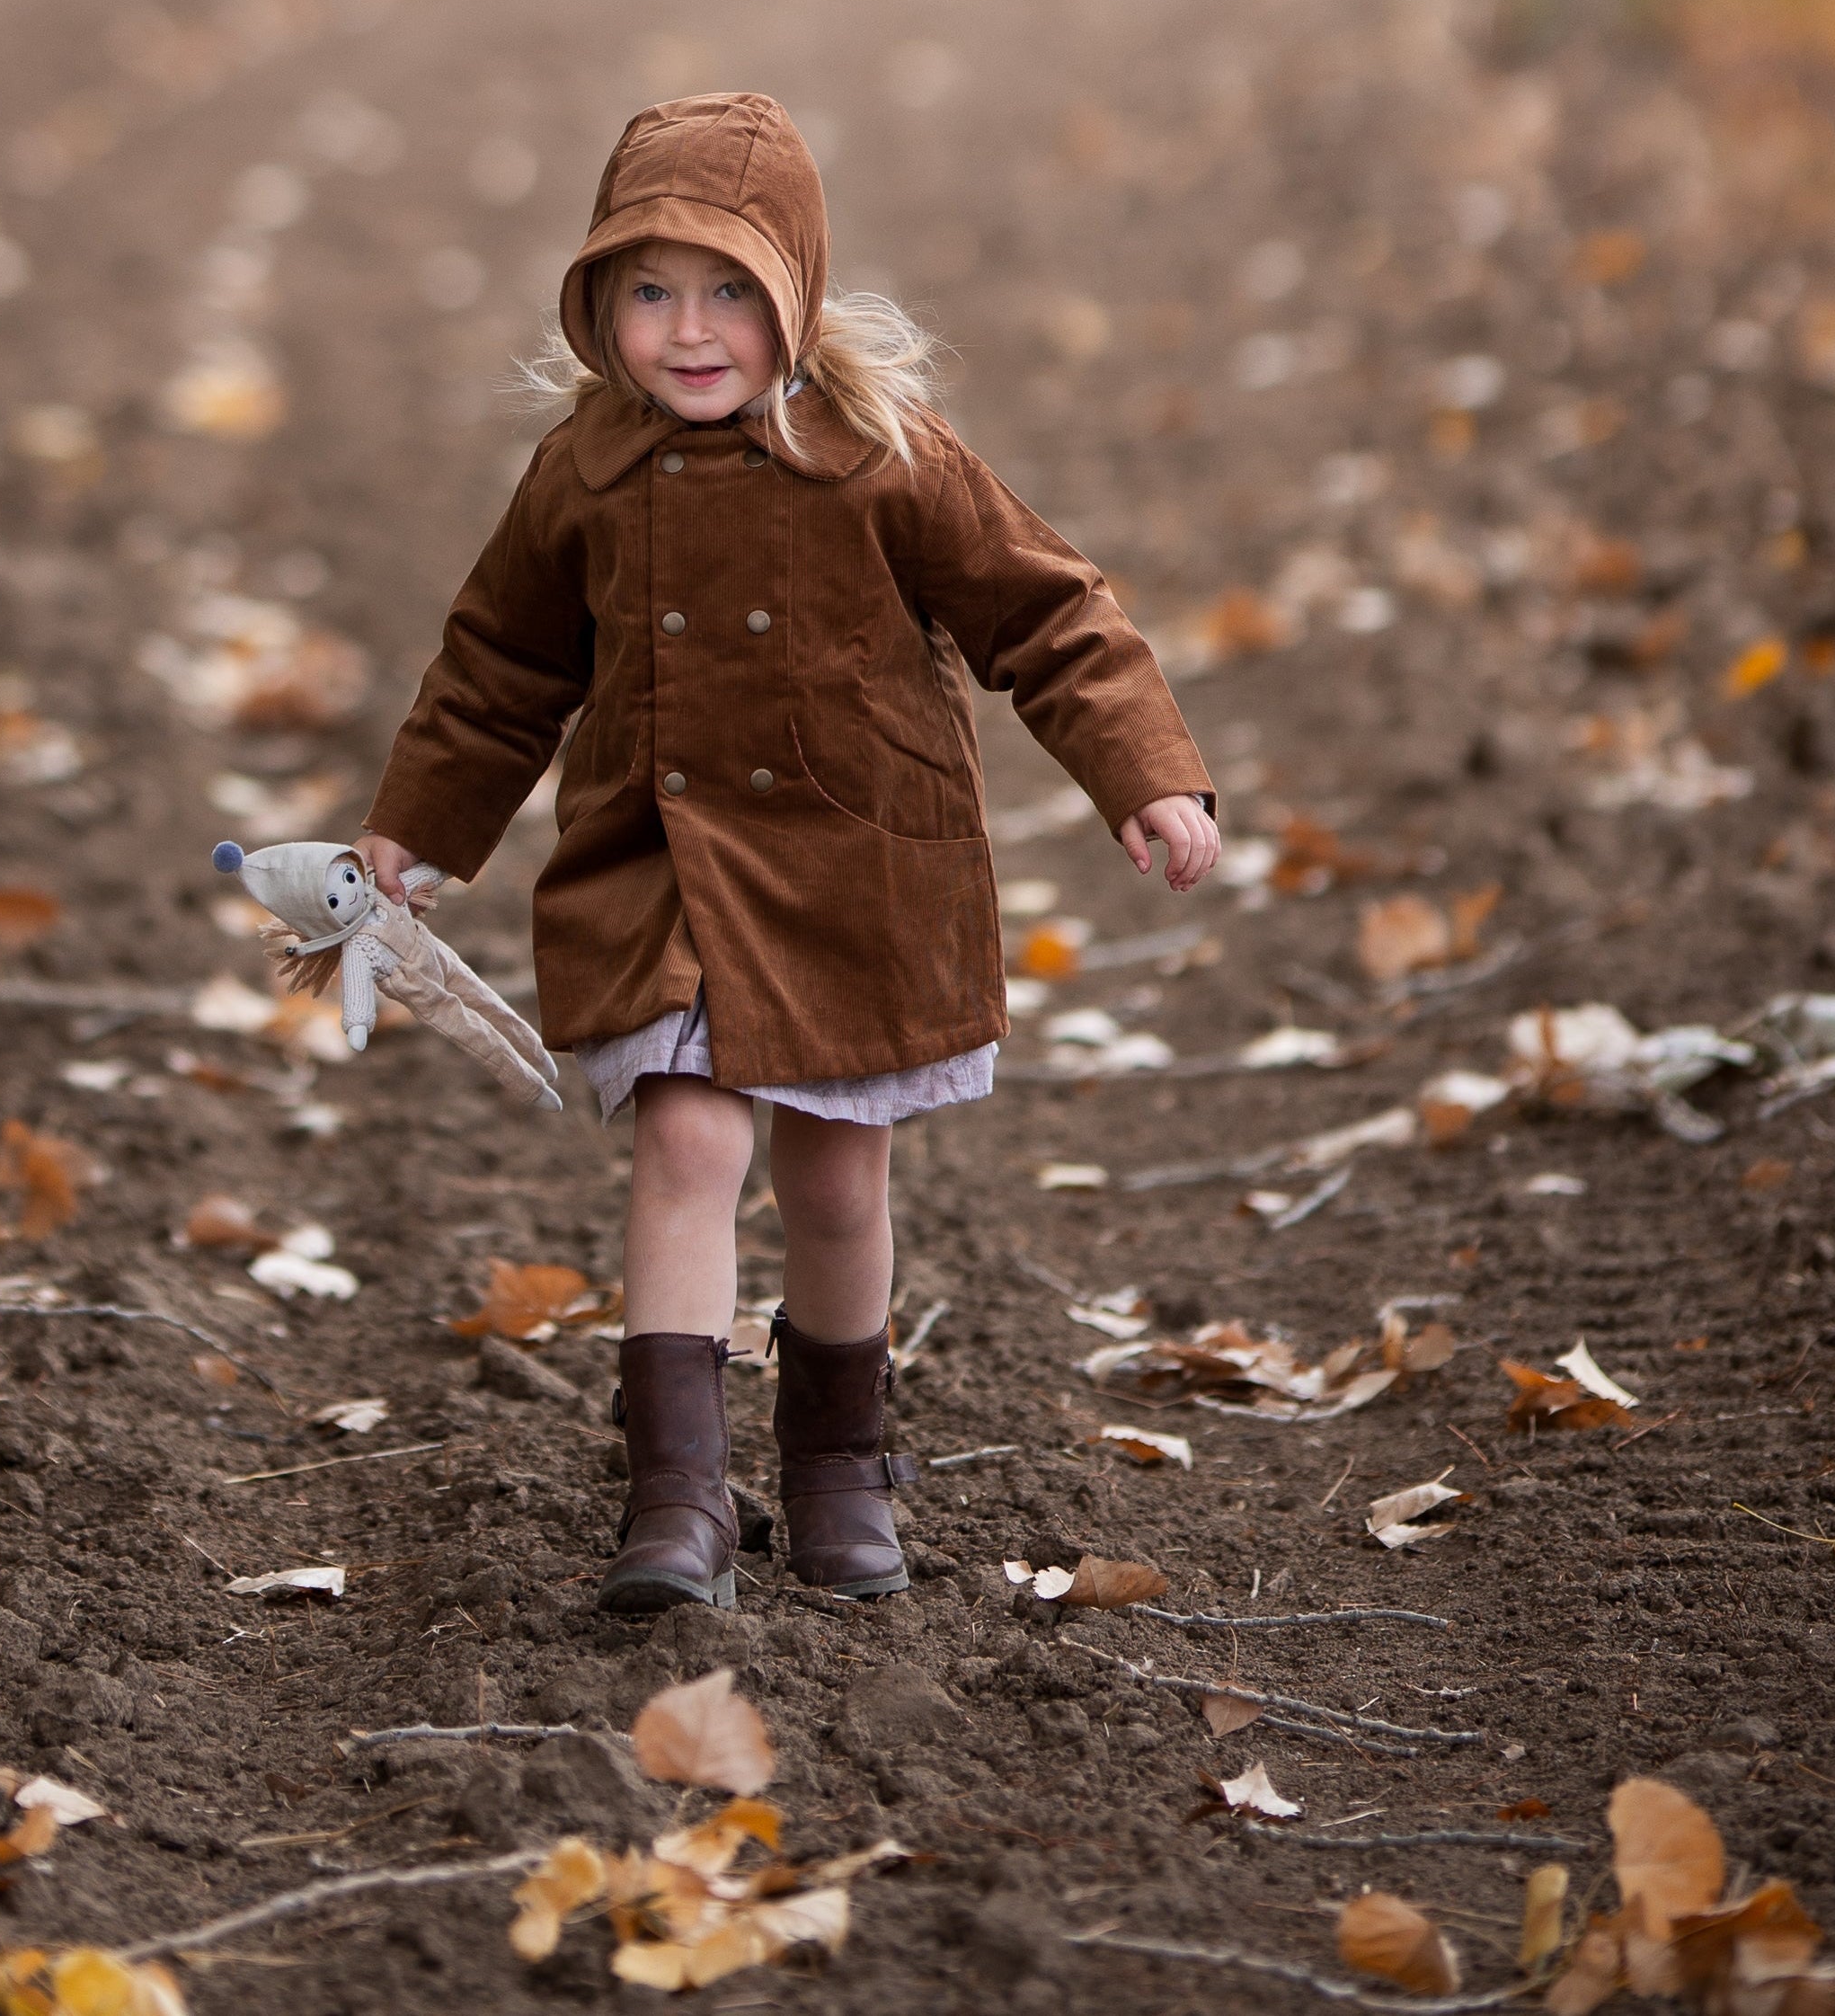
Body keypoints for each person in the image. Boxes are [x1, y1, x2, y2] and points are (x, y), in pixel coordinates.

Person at [354, 92, 1217, 1613]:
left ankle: (835, 1465)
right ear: (598, 302)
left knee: (832, 1181)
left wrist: (1144, 776)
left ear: (796, 294)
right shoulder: (583, 470)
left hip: (852, 869)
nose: (689, 331)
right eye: (648, 290)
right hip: (660, 865)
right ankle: (675, 1496)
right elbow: (498, 665)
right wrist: (416, 831)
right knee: (688, 1143)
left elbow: (1048, 613)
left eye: (729, 291)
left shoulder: (881, 453)